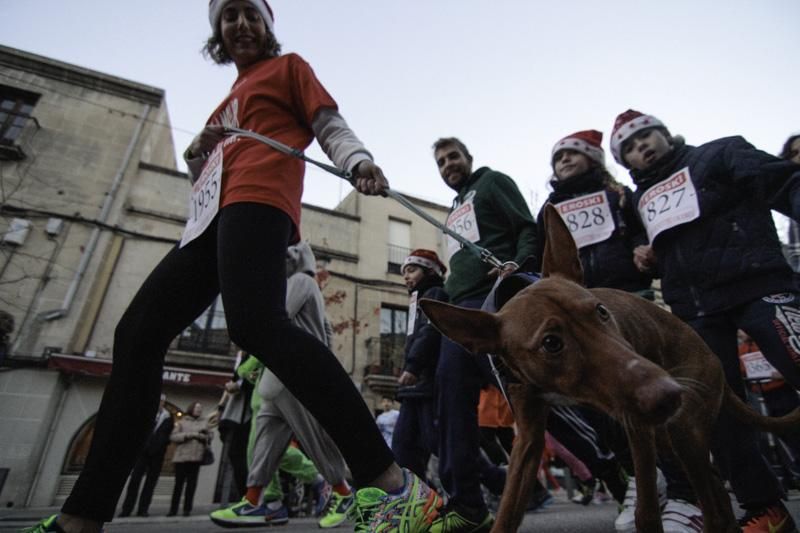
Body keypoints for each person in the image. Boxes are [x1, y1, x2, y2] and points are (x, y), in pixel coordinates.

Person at [23, 2, 439, 532]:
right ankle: (80, 518)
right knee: (137, 334)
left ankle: (391, 486)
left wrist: (358, 162)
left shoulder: (290, 68)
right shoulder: (226, 102)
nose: (239, 23)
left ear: (267, 25)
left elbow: (328, 124)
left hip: (260, 201)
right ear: (218, 32)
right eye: (228, 15)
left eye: (250, 13)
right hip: (208, 222)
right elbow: (205, 177)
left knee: (256, 324)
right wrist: (198, 152)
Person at [611, 108, 800, 533]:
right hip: (695, 312)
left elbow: (784, 181)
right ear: (627, 164)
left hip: (758, 285)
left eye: (646, 137)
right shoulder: (640, 202)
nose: (642, 148)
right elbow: (655, 244)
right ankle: (765, 509)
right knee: (715, 412)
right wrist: (646, 254)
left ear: (666, 134)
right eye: (630, 149)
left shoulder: (719, 153)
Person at [430, 137, 537, 532]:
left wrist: (519, 267)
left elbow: (526, 227)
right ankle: (468, 507)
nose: (448, 165)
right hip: (458, 313)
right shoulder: (452, 209)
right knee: (451, 402)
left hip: (494, 302)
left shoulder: (491, 182)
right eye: (440, 162)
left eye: (453, 157)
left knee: (529, 388)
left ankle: (609, 465)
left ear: (468, 158)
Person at [209, 241, 353, 529]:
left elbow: (275, 319)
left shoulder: (301, 281)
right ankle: (254, 501)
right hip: (277, 376)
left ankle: (344, 494)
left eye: (284, 258)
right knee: (263, 442)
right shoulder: (295, 285)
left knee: (312, 438)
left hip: (295, 372)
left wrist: (247, 367)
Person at [392, 249, 448, 482]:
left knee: (434, 441)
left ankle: (496, 480)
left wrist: (412, 367)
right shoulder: (417, 300)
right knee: (403, 445)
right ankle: (418, 497)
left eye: (412, 270)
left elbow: (429, 333)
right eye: (404, 272)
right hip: (415, 387)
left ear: (429, 271)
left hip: (426, 382)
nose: (406, 276)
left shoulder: (434, 294)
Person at [118, 393, 173, 517]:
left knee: (150, 483)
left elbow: (167, 435)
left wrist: (160, 446)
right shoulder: (146, 413)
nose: (159, 403)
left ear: (164, 403)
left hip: (157, 455)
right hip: (142, 453)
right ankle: (127, 508)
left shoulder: (168, 417)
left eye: (161, 401)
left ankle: (143, 509)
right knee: (134, 481)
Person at [168, 402, 214, 517]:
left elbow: (210, 436)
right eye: (197, 408)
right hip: (181, 458)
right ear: (191, 409)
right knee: (178, 485)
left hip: (196, 458)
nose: (199, 410)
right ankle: (173, 510)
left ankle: (187, 509)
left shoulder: (204, 423)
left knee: (191, 486)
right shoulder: (182, 422)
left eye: (200, 408)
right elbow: (173, 437)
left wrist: (203, 436)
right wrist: (189, 435)